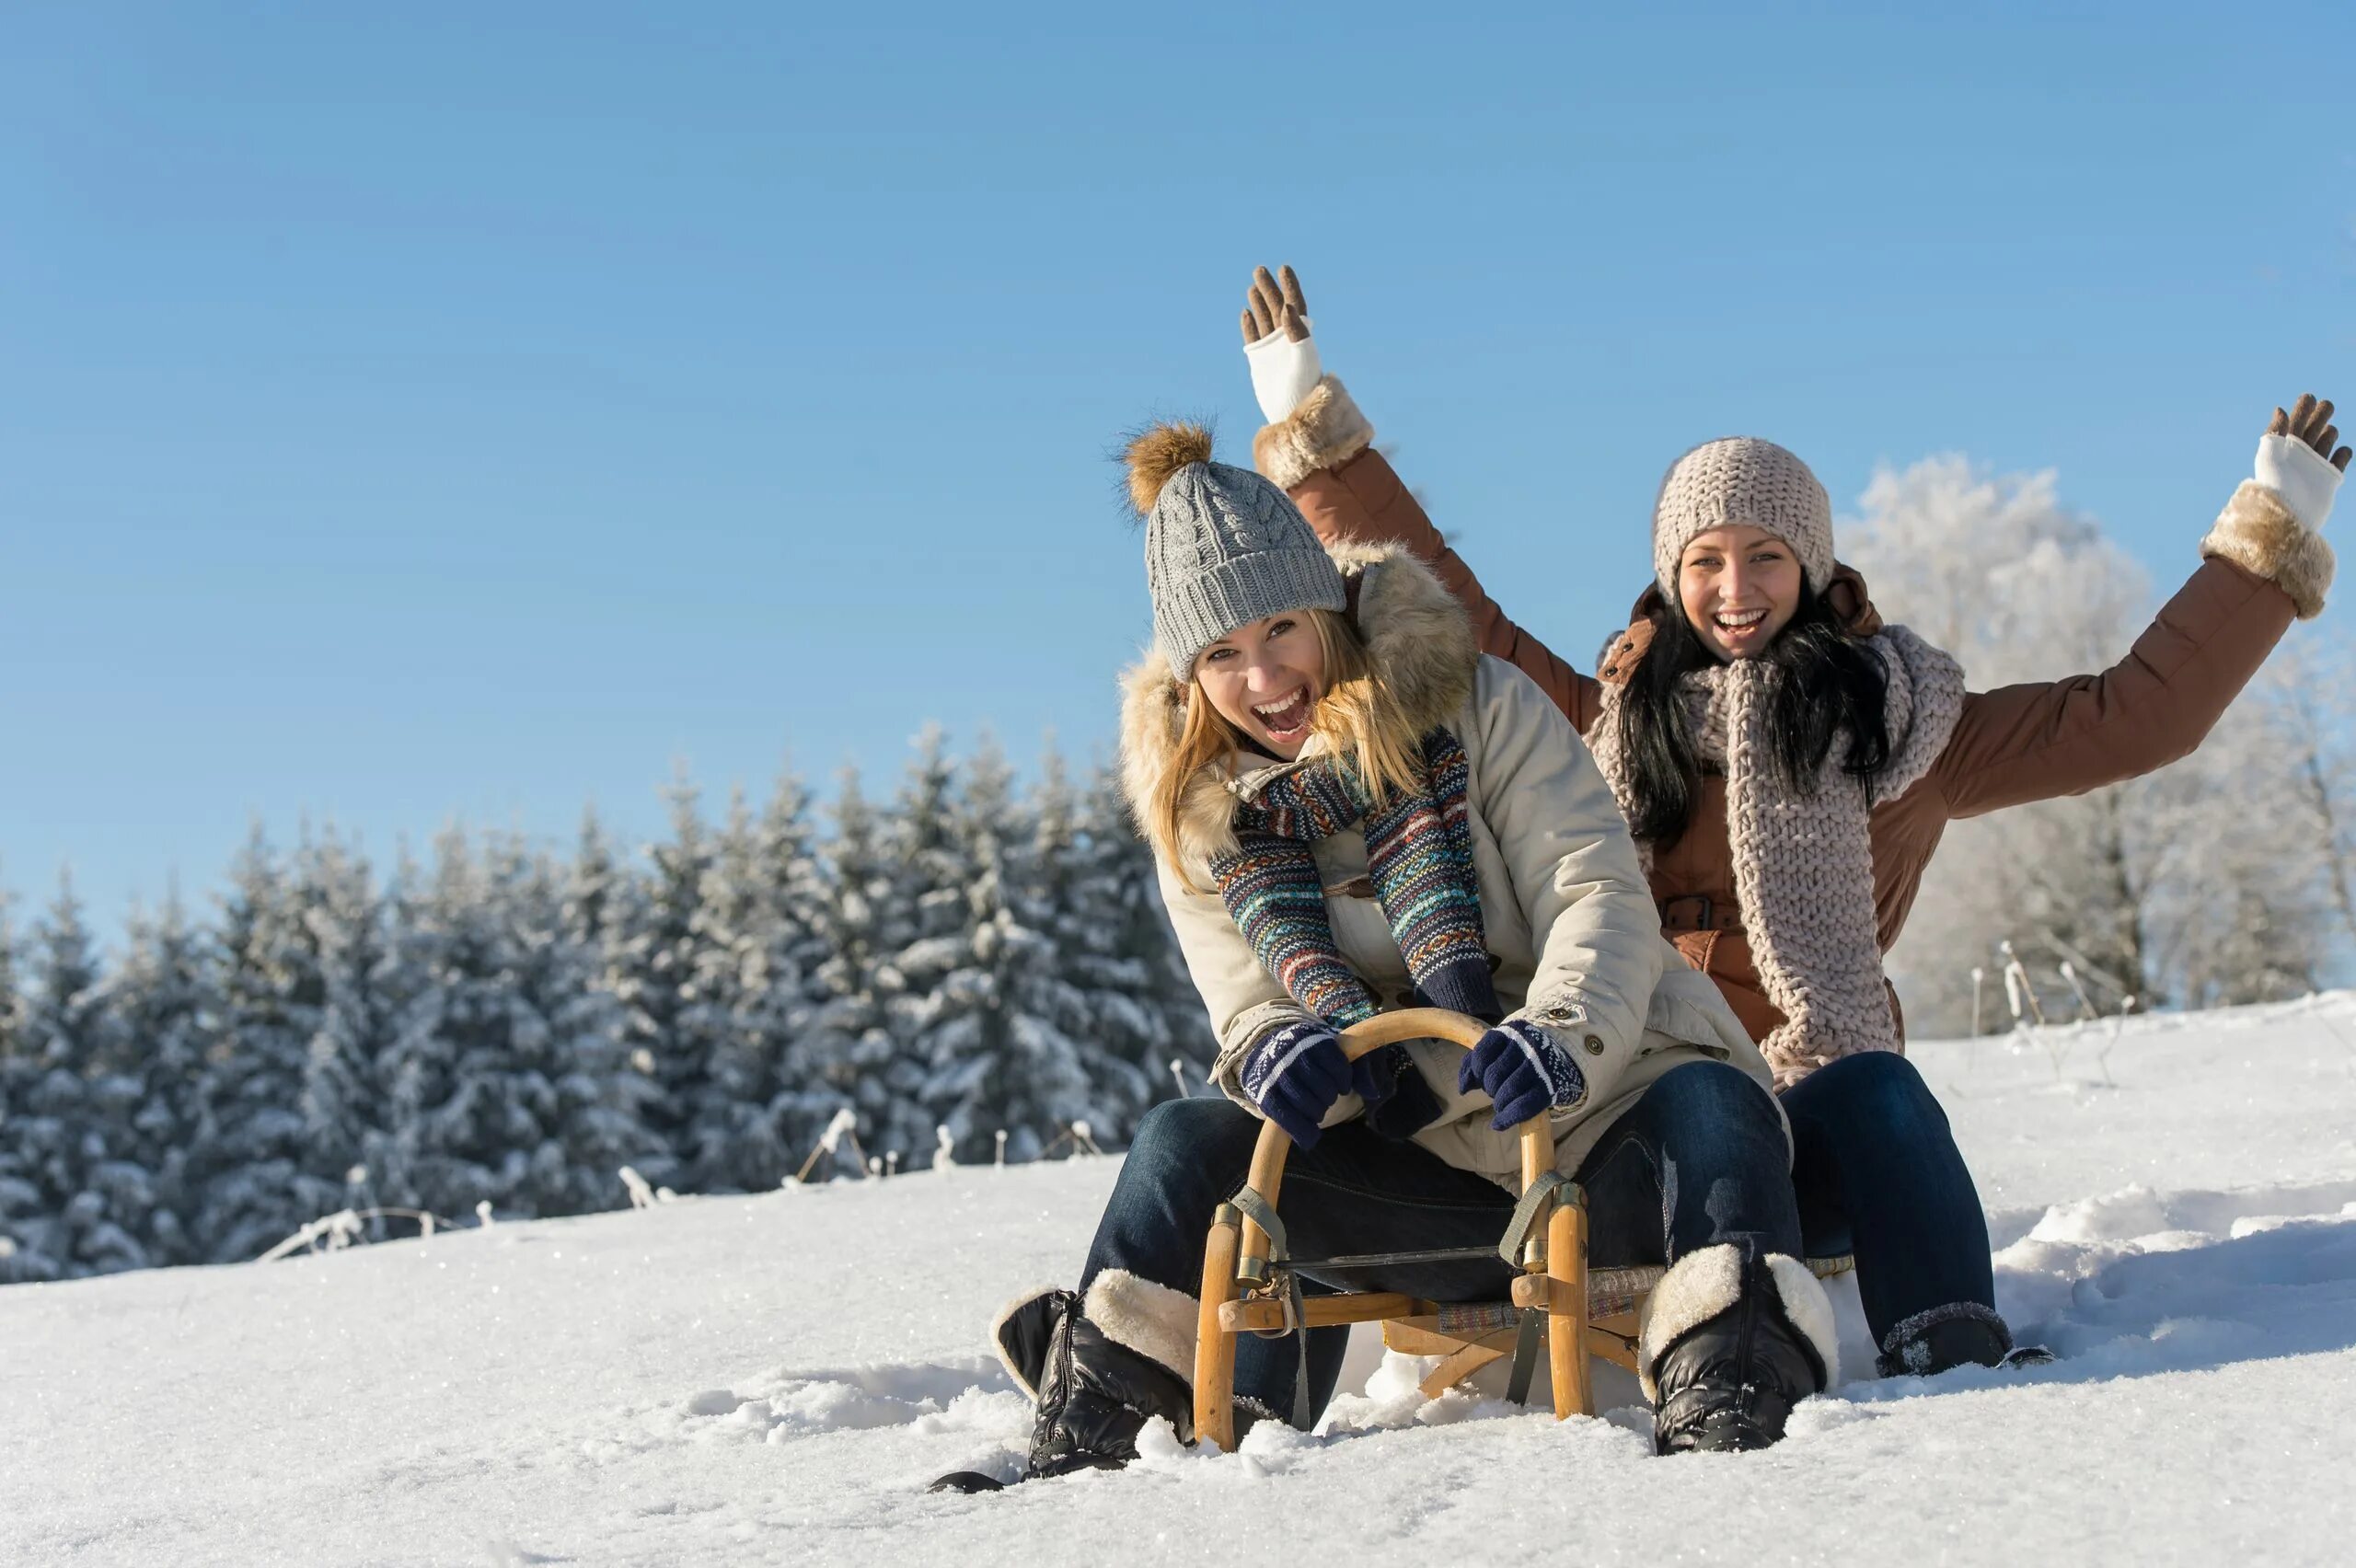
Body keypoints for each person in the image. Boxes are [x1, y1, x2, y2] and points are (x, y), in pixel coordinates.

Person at [1229, 263, 2346, 1378]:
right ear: (1669, 581)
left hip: (1805, 1123)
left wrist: (2265, 547)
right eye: (1704, 562)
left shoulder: (1906, 729)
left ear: (1810, 569)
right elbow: (1455, 609)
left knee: (1882, 1092)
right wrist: (1309, 424)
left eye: (1765, 556)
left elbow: (2129, 716)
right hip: (1625, 1113)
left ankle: (1950, 1346)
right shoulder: (1596, 722)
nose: (1734, 588)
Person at [934, 420, 1846, 1492]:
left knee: (1713, 1101)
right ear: (1188, 675)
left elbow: (1593, 890)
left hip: (1601, 1134)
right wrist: (1277, 1047)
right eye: (1221, 655)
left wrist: (1556, 1040)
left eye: (1280, 629)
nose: (1264, 677)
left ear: (1326, 609)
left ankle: (1733, 1401)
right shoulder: (1201, 816)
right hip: (1421, 1181)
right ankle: (1087, 1441)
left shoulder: (1478, 705)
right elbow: (1245, 999)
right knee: (1184, 1141)